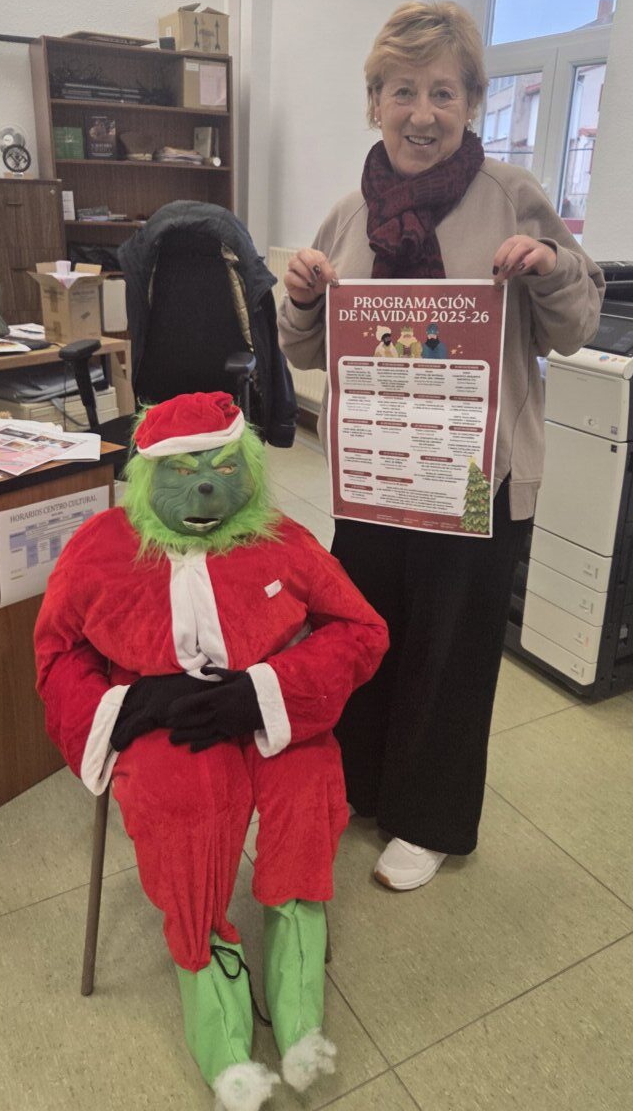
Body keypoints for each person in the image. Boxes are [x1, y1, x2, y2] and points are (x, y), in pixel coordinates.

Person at [277, 0, 604, 891]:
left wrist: (548, 267)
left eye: (445, 93)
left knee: (451, 651)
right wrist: (305, 294)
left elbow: (576, 325)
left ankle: (428, 820)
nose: (423, 112)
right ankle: (362, 785)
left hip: (473, 475)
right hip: (377, 473)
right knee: (367, 634)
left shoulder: (513, 195)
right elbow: (304, 349)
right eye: (404, 91)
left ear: (473, 103)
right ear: (375, 100)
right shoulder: (349, 212)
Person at [34, 391, 388, 1109]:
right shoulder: (100, 546)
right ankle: (211, 988)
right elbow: (55, 652)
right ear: (144, 477)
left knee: (306, 787)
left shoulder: (283, 540)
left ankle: (297, 998)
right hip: (160, 715)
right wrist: (127, 705)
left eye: (223, 469)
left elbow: (360, 630)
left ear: (248, 468)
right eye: (183, 471)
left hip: (270, 702)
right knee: (185, 805)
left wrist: (267, 689)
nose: (204, 489)